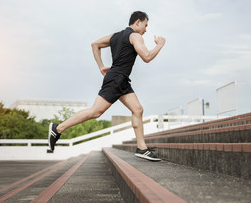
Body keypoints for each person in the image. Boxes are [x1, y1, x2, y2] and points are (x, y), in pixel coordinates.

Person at [48, 11, 166, 161]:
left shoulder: (115, 36)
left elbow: (95, 44)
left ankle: (142, 148)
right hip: (117, 79)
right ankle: (57, 128)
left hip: (121, 80)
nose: (146, 29)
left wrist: (101, 66)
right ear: (138, 22)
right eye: (145, 25)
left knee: (137, 109)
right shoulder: (136, 36)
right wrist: (160, 45)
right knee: (95, 112)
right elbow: (147, 57)